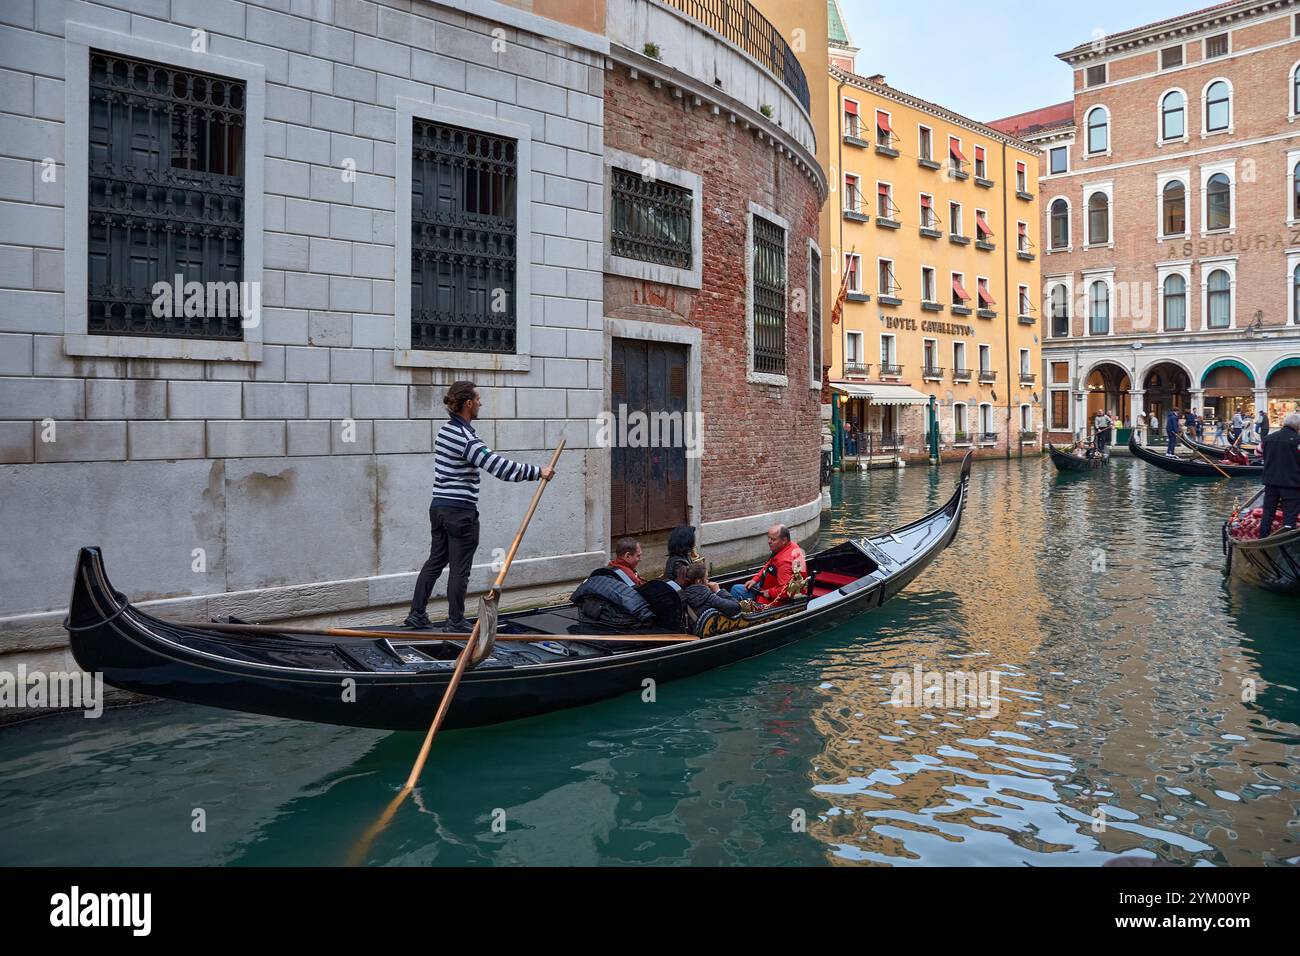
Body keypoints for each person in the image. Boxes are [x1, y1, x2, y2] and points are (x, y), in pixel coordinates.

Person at [406, 381, 556, 631]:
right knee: (459, 569)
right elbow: (498, 467)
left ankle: (416, 615)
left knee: (435, 562)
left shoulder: (445, 430)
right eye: (478, 399)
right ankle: (455, 621)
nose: (481, 403)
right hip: (460, 513)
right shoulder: (466, 439)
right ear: (468, 404)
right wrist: (538, 472)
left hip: (439, 509)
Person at [730, 525, 808, 608]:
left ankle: (734, 612)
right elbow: (769, 564)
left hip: (773, 600)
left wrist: (769, 592)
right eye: (769, 538)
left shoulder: (784, 562)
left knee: (735, 589)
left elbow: (787, 590)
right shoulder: (790, 546)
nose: (769, 541)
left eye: (773, 539)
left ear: (784, 540)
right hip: (768, 585)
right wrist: (755, 579)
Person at [571, 565, 655, 628]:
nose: (640, 558)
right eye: (638, 555)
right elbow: (627, 599)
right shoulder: (627, 574)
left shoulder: (612, 570)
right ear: (628, 555)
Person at [1259, 412, 1300, 538]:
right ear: (1297, 427)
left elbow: (1257, 452)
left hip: (1271, 483)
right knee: (1290, 515)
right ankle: (1286, 539)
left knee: (1268, 512)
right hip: (1291, 484)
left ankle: (1263, 537)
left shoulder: (1268, 438)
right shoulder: (1298, 441)